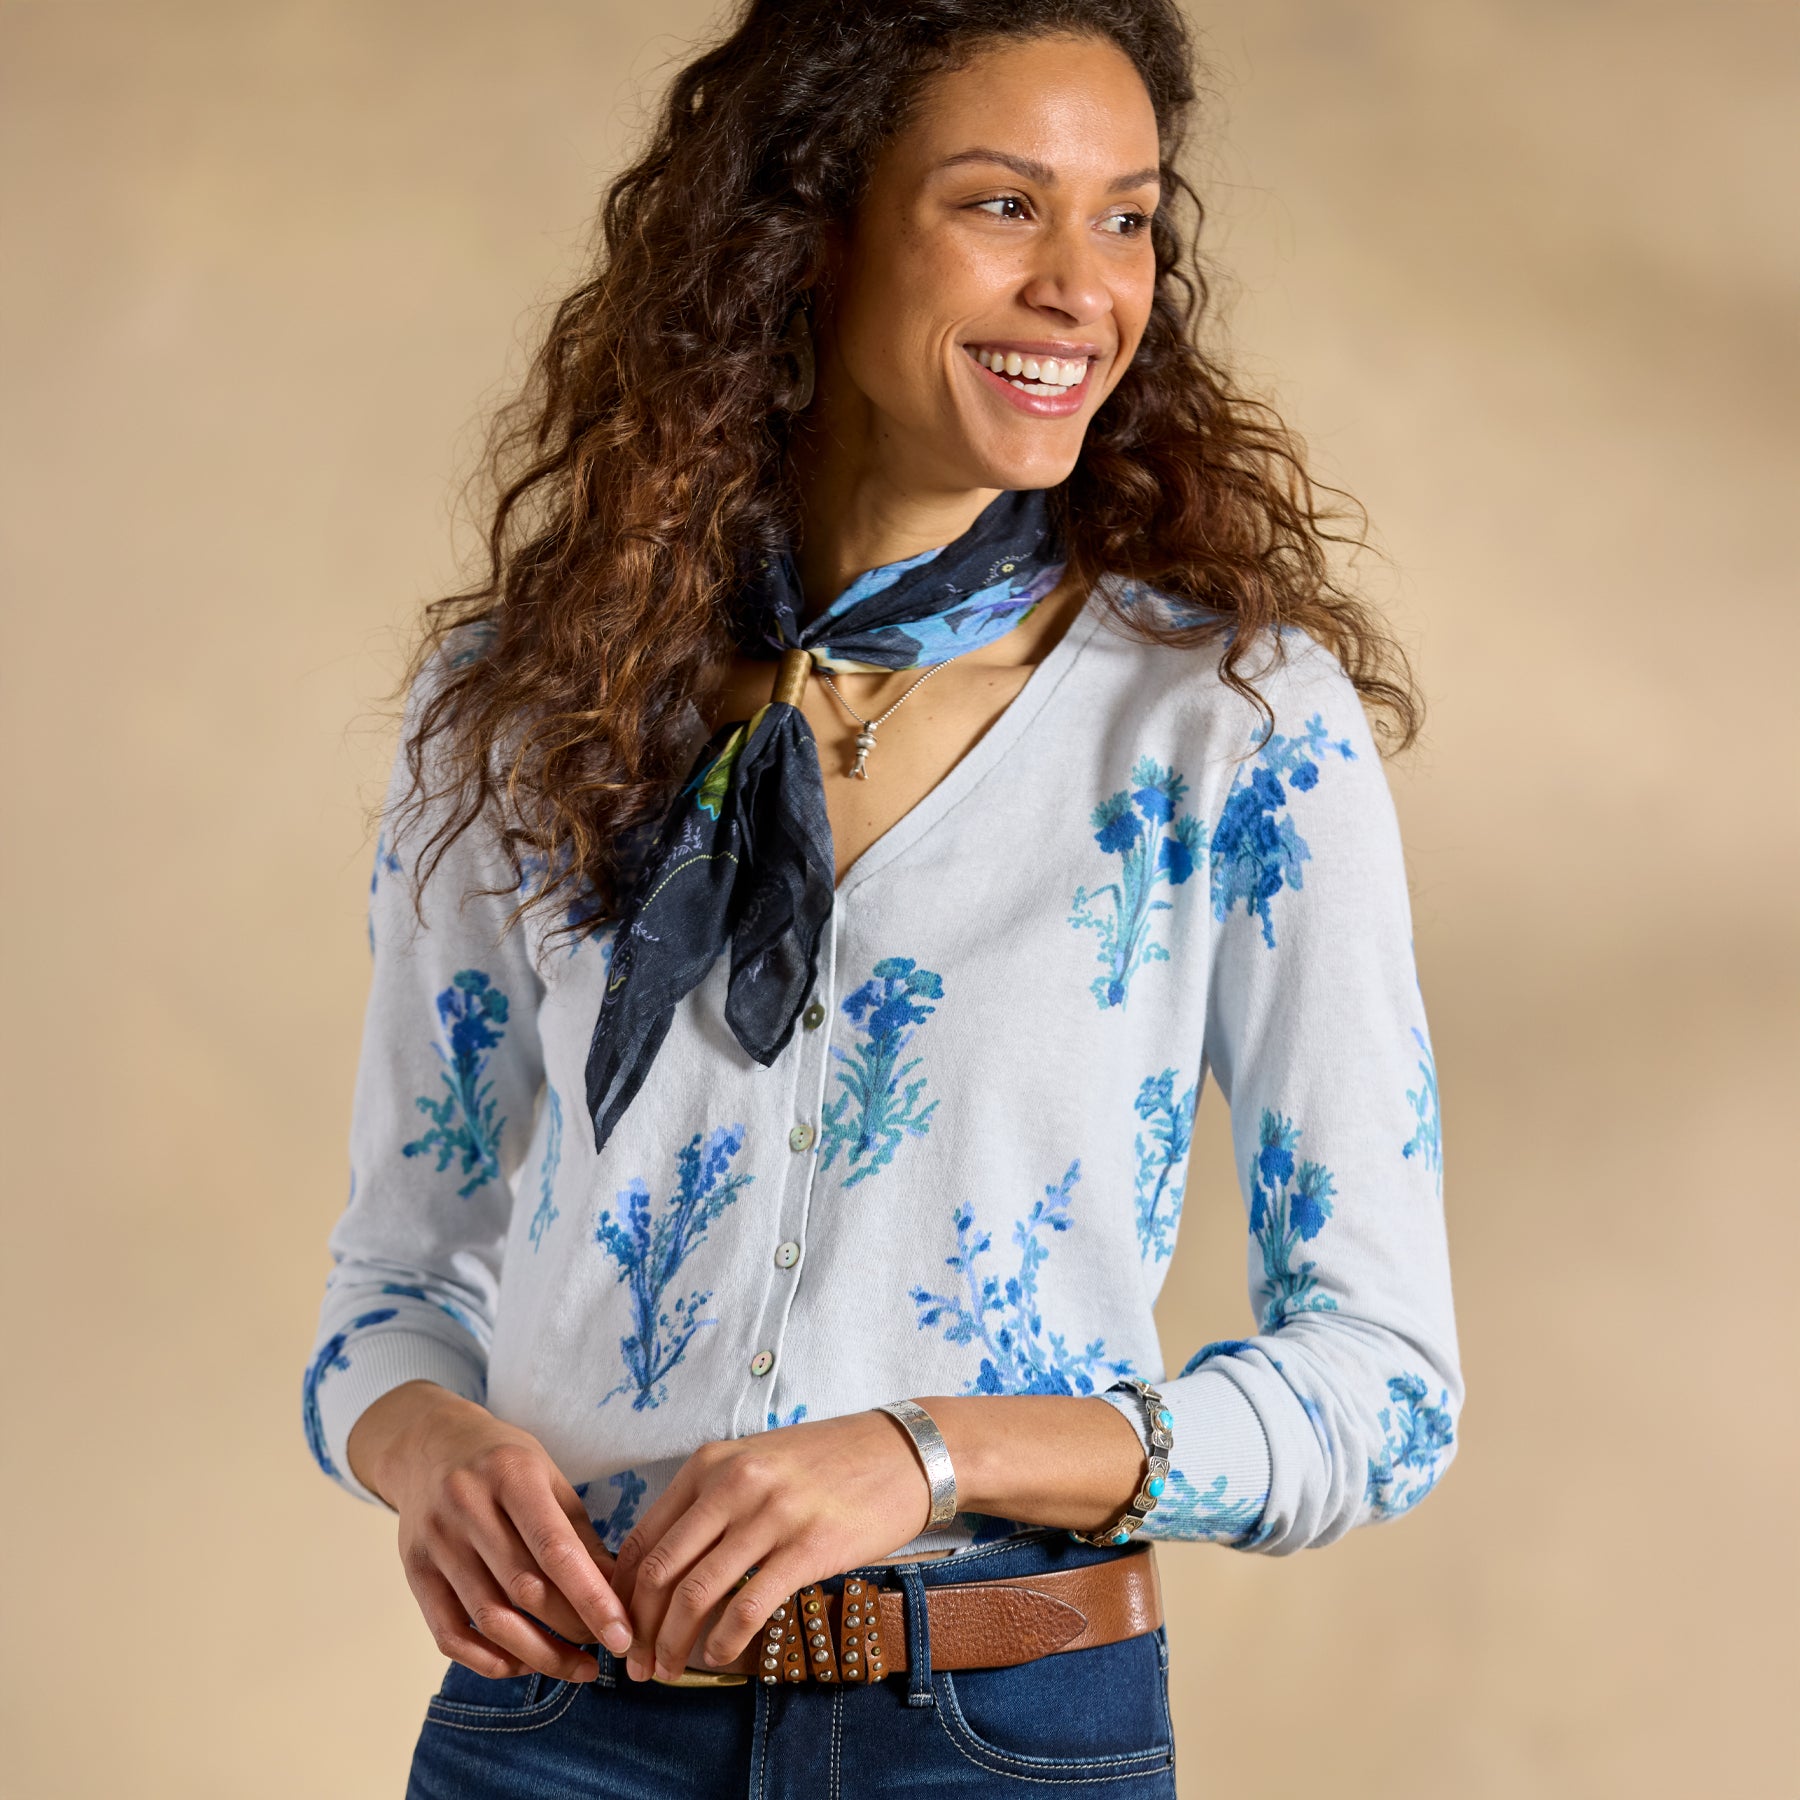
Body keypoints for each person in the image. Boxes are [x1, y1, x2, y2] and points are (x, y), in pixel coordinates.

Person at [302, 1, 1462, 1793]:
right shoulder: (526, 705)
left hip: (998, 1732)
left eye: (1127, 217)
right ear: (812, 228)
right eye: (1004, 204)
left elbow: (1383, 1386)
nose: (1084, 287)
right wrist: (426, 1448)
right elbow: (393, 1280)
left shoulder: (1233, 729)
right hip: (559, 1729)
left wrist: (929, 1452)